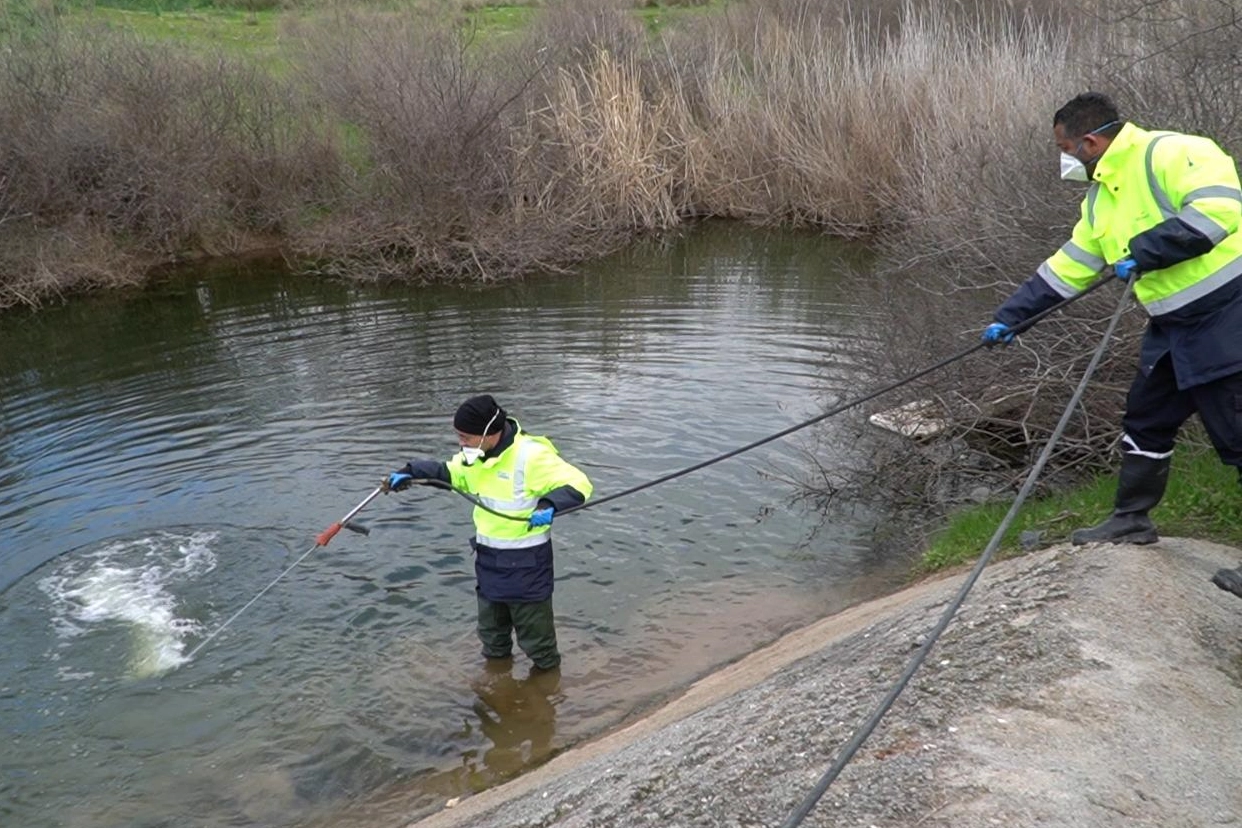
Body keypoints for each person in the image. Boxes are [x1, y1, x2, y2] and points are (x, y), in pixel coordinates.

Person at [981, 91, 1242, 550]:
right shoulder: (1100, 198)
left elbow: (1218, 212)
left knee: (1237, 433)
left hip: (1228, 317)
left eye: (1065, 150)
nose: (1065, 160)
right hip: (1171, 327)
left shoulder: (1175, 151)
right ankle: (1131, 519)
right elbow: (1071, 265)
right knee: (1145, 418)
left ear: (1091, 142)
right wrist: (1013, 318)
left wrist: (1147, 250)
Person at [383, 394, 592, 671]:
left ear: (489, 433)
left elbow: (578, 483)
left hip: (527, 566)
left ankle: (546, 697)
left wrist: (550, 504)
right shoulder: (476, 457)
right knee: (492, 638)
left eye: (466, 437)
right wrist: (412, 471)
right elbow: (451, 473)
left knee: (537, 643)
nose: (461, 442)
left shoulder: (530, 456)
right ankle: (496, 686)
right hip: (489, 562)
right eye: (459, 436)